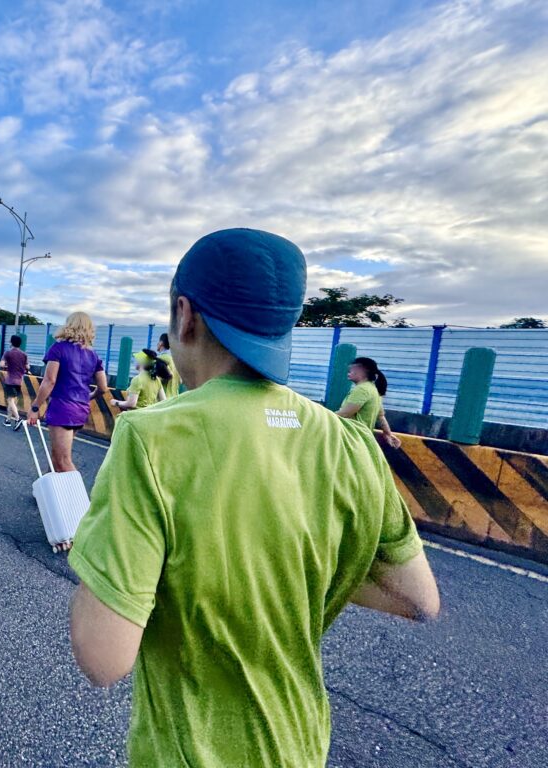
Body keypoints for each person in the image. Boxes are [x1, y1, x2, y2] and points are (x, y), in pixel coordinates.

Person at [67, 228, 439, 767]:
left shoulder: (150, 437)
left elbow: (102, 658)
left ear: (184, 315)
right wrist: (286, 565)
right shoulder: (351, 445)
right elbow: (418, 600)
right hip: (301, 745)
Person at [27, 312, 110, 472]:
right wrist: (89, 397)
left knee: (63, 460)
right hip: (81, 410)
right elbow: (103, 387)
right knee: (57, 456)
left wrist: (35, 407)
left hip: (62, 408)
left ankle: (77, 496)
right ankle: (50, 492)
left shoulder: (58, 349)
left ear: (68, 325)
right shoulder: (93, 355)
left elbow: (49, 381)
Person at [338, 357, 402, 449]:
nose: (348, 373)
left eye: (351, 370)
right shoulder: (373, 389)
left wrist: (323, 416)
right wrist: (387, 433)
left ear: (361, 372)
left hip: (351, 437)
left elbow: (345, 413)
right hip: (363, 438)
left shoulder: (362, 389)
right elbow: (381, 416)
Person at [0, 334, 29, 431]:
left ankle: (18, 419)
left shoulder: (8, 353)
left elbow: (1, 364)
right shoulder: (24, 354)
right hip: (19, 381)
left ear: (11, 342)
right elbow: (28, 367)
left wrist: (9, 366)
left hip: (10, 380)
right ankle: (8, 420)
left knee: (10, 401)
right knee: (12, 401)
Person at [156, 332, 181, 398]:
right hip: (175, 398)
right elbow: (180, 381)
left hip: (163, 399)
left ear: (161, 343)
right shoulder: (175, 360)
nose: (157, 344)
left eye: (158, 342)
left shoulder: (160, 359)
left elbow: (156, 380)